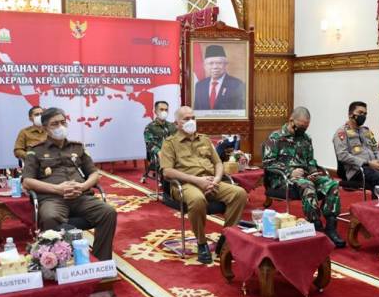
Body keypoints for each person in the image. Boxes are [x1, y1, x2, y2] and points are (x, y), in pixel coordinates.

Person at [22, 108, 116, 260]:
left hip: (81, 196)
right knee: (50, 217)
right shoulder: (35, 151)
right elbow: (27, 181)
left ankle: (101, 260)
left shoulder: (77, 147)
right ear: (45, 128)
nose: (60, 126)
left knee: (108, 212)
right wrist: (58, 189)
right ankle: (57, 261)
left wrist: (83, 186)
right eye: (54, 124)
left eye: (63, 122)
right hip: (53, 198)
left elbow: (94, 173)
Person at [159, 106, 248, 264]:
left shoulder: (204, 139)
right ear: (176, 124)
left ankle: (226, 239)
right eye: (186, 119)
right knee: (198, 199)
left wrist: (216, 180)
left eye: (193, 118)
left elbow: (218, 163)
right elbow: (167, 172)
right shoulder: (170, 143)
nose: (191, 121)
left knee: (239, 193)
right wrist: (198, 181)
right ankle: (201, 243)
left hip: (211, 181)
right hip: (185, 184)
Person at [263, 107, 345, 248]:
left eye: (305, 127)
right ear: (291, 120)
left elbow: (310, 160)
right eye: (300, 127)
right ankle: (316, 226)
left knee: (331, 184)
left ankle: (331, 227)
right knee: (308, 186)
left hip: (305, 176)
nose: (303, 130)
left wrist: (313, 172)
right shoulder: (276, 138)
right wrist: (289, 172)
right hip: (283, 178)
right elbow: (268, 163)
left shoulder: (306, 138)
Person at [193, 45, 245, 111]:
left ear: (225, 65)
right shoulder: (200, 85)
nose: (215, 67)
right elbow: (196, 111)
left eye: (219, 63)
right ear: (205, 66)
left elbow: (240, 111)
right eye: (211, 63)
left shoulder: (237, 85)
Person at [143, 100, 177, 165]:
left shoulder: (172, 126)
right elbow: (149, 144)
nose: (164, 112)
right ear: (155, 111)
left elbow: (177, 140)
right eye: (161, 109)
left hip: (172, 154)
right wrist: (159, 152)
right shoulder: (150, 127)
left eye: (166, 110)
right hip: (157, 156)